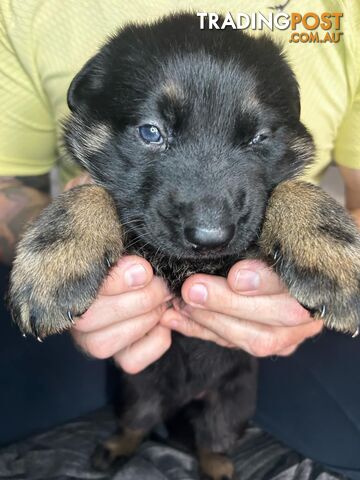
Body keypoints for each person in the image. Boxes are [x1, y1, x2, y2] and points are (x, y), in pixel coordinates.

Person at [0, 0, 359, 477]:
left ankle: (215, 456)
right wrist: (78, 211)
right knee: (116, 408)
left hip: (243, 361)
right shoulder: (25, 11)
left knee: (321, 441)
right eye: (152, 132)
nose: (212, 227)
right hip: (113, 349)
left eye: (254, 138)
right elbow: (10, 190)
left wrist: (307, 221)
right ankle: (129, 434)